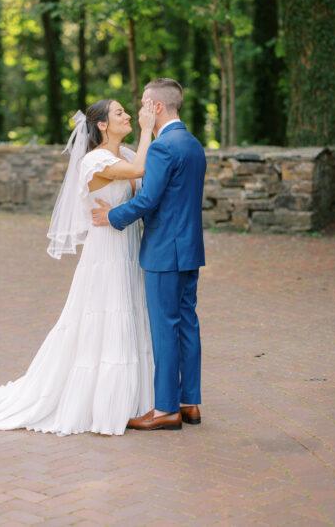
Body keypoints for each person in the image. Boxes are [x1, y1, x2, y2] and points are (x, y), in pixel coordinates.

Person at [0, 99, 157, 436]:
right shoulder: (95, 160)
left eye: (127, 112)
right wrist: (148, 127)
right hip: (106, 252)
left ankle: (132, 400)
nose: (127, 116)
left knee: (128, 313)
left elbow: (141, 181)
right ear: (103, 125)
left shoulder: (122, 155)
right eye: (120, 113)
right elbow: (140, 171)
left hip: (126, 245)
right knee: (107, 315)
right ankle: (103, 403)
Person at [92, 78, 206, 431]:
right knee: (187, 324)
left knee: (164, 328)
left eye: (143, 103)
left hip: (163, 252)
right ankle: (191, 402)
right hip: (189, 250)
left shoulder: (161, 148)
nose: (139, 109)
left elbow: (147, 200)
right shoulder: (192, 144)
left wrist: (112, 216)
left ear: (156, 107)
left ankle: (165, 409)